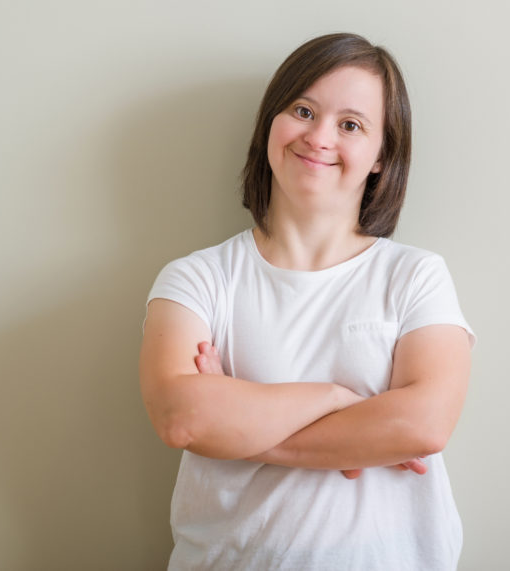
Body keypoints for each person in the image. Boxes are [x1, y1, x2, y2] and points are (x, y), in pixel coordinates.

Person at [139, 32, 475, 570]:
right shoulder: (196, 279)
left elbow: (423, 426)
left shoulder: (416, 276)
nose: (319, 136)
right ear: (271, 123)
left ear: (381, 157)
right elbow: (184, 420)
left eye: (351, 124)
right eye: (303, 109)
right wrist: (341, 401)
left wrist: (243, 425)